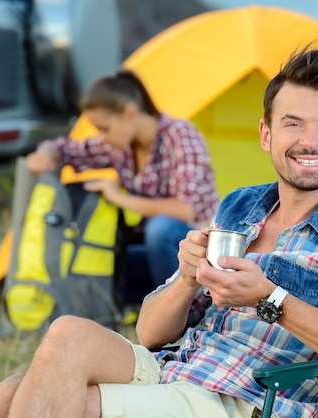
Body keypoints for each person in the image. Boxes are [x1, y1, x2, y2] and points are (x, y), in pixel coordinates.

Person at [0, 46, 318, 417]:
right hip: (180, 366)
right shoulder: (241, 206)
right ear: (266, 134)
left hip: (242, 396)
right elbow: (150, 335)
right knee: (30, 371)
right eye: (293, 123)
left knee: (75, 406)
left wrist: (270, 298)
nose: (309, 141)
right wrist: (187, 279)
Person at [25, 70, 220, 305]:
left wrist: (119, 198)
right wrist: (46, 153)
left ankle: (185, 312)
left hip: (198, 249)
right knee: (102, 259)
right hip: (158, 254)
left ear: (129, 113)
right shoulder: (120, 146)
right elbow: (67, 149)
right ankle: (144, 305)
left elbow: (185, 210)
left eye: (104, 128)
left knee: (159, 229)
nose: (101, 136)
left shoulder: (179, 134)